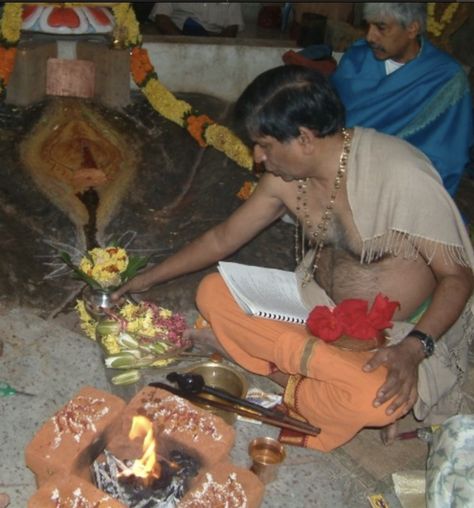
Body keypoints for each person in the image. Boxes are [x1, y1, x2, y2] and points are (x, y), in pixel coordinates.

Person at [112, 65, 474, 452]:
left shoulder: (402, 174)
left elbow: (459, 277)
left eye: (265, 145)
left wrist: (413, 350)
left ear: (304, 138)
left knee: (375, 397)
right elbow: (223, 237)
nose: (257, 157)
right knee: (213, 292)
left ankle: (287, 370)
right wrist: (147, 278)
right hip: (312, 308)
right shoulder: (286, 179)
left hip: (390, 337)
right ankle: (308, 374)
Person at [331, 3, 474, 197]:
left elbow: (448, 157)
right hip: (342, 173)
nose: (370, 37)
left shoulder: (446, 79)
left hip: (407, 186)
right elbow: (331, 122)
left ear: (412, 29)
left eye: (381, 28)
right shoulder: (356, 59)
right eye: (369, 26)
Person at [148, 2, 244, 37]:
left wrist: (211, 47)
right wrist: (185, 43)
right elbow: (161, 19)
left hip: (213, 41)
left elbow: (232, 28)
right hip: (175, 37)